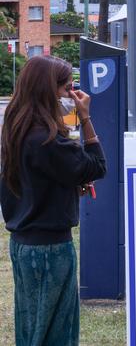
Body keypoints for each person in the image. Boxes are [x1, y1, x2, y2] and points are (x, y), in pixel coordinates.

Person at [1, 55, 107, 345]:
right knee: (55, 332)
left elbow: (34, 180)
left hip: (23, 243)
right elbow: (97, 166)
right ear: (49, 89)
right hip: (49, 250)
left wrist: (67, 189)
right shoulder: (47, 140)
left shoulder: (16, 129)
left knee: (32, 327)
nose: (69, 94)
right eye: (66, 87)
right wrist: (85, 117)